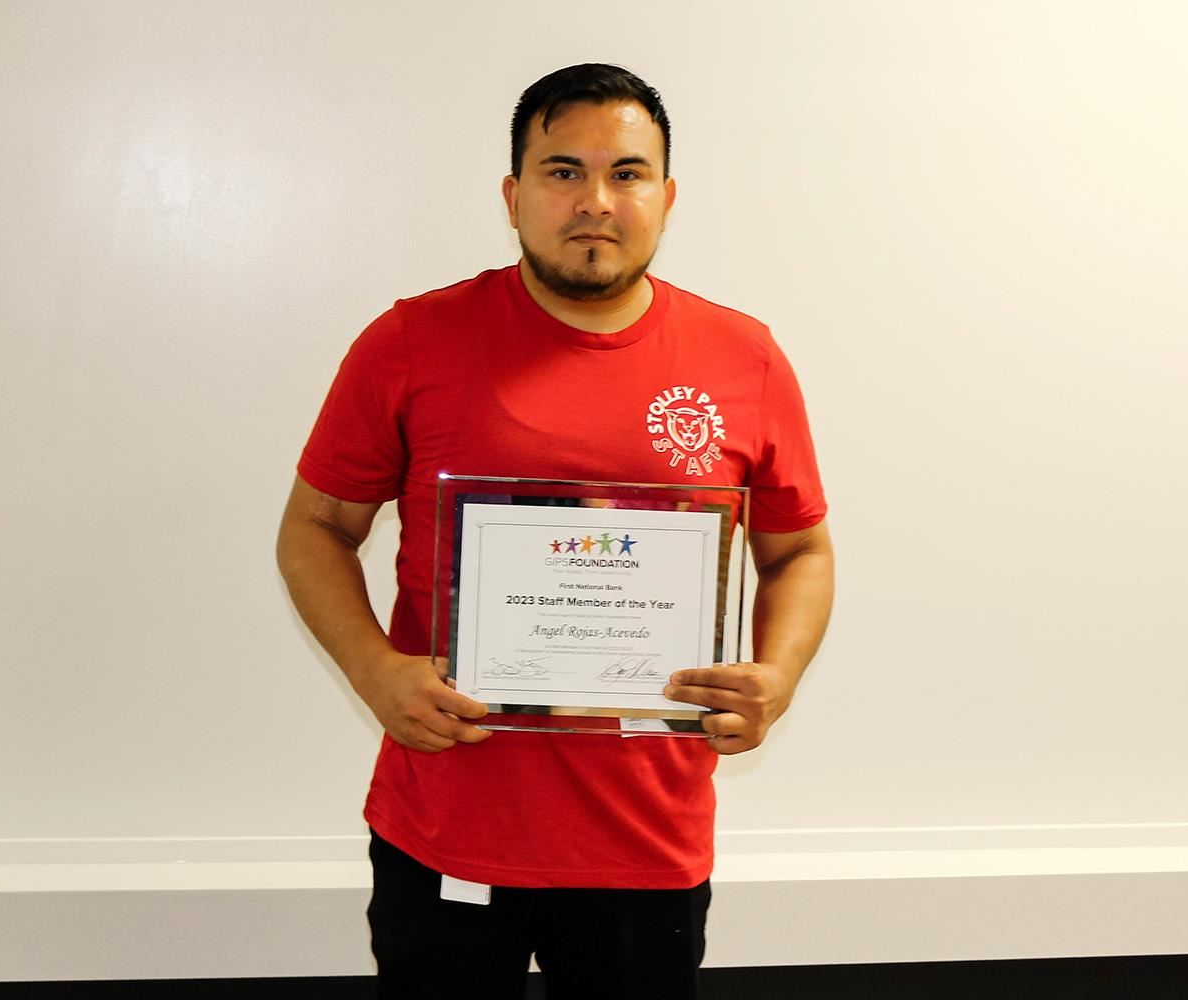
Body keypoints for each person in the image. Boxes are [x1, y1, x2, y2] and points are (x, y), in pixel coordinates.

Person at [276, 63, 834, 999]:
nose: (596, 202)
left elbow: (801, 551)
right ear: (514, 193)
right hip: (450, 827)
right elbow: (315, 529)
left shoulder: (745, 358)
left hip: (646, 846)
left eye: (627, 173)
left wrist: (774, 678)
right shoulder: (412, 342)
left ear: (666, 196)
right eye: (563, 171)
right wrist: (376, 670)